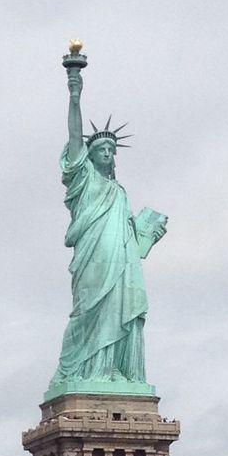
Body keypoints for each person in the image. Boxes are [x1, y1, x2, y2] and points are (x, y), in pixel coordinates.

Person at [45, 54, 168, 396]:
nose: (108, 153)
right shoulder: (82, 180)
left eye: (112, 149)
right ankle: (83, 369)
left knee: (119, 308)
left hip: (123, 263)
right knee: (88, 310)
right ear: (89, 154)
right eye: (101, 148)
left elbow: (132, 241)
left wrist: (147, 235)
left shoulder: (120, 193)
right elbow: (74, 137)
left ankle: (114, 370)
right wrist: (74, 92)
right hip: (93, 256)